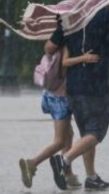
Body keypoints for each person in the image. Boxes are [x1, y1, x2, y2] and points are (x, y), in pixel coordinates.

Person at [50, 0, 109, 191]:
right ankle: (63, 161)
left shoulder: (71, 19)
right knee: (97, 131)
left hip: (73, 88)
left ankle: (91, 177)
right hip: (95, 87)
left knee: (86, 133)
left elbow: (49, 47)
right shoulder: (107, 17)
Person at [18, 17, 92, 190]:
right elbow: (66, 64)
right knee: (60, 141)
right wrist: (84, 58)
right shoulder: (68, 42)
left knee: (69, 134)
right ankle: (32, 163)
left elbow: (50, 50)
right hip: (61, 97)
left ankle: (68, 174)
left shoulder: (54, 40)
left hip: (50, 94)